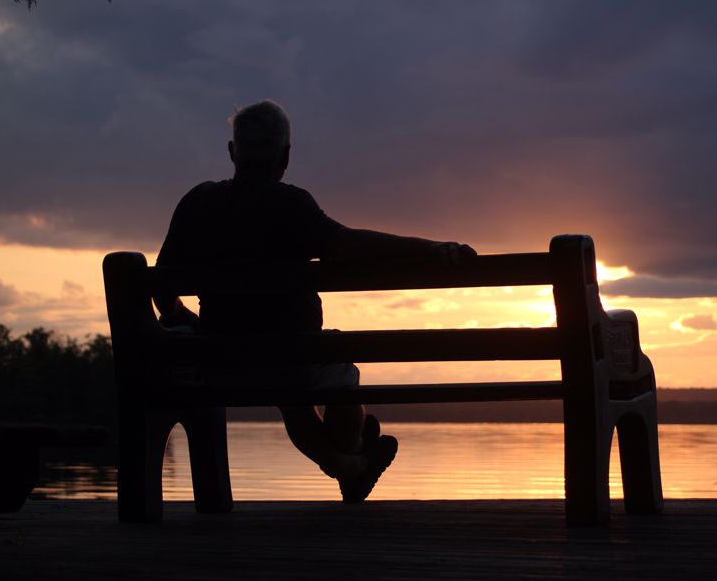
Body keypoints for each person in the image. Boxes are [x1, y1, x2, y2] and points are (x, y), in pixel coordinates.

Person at [153, 99, 476, 503]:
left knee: (296, 404)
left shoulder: (197, 202)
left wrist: (188, 321)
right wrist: (430, 248)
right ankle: (355, 453)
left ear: (232, 152)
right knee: (341, 375)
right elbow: (346, 245)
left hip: (222, 366)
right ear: (285, 155)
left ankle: (352, 465)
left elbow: (161, 285)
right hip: (295, 359)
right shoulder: (288, 203)